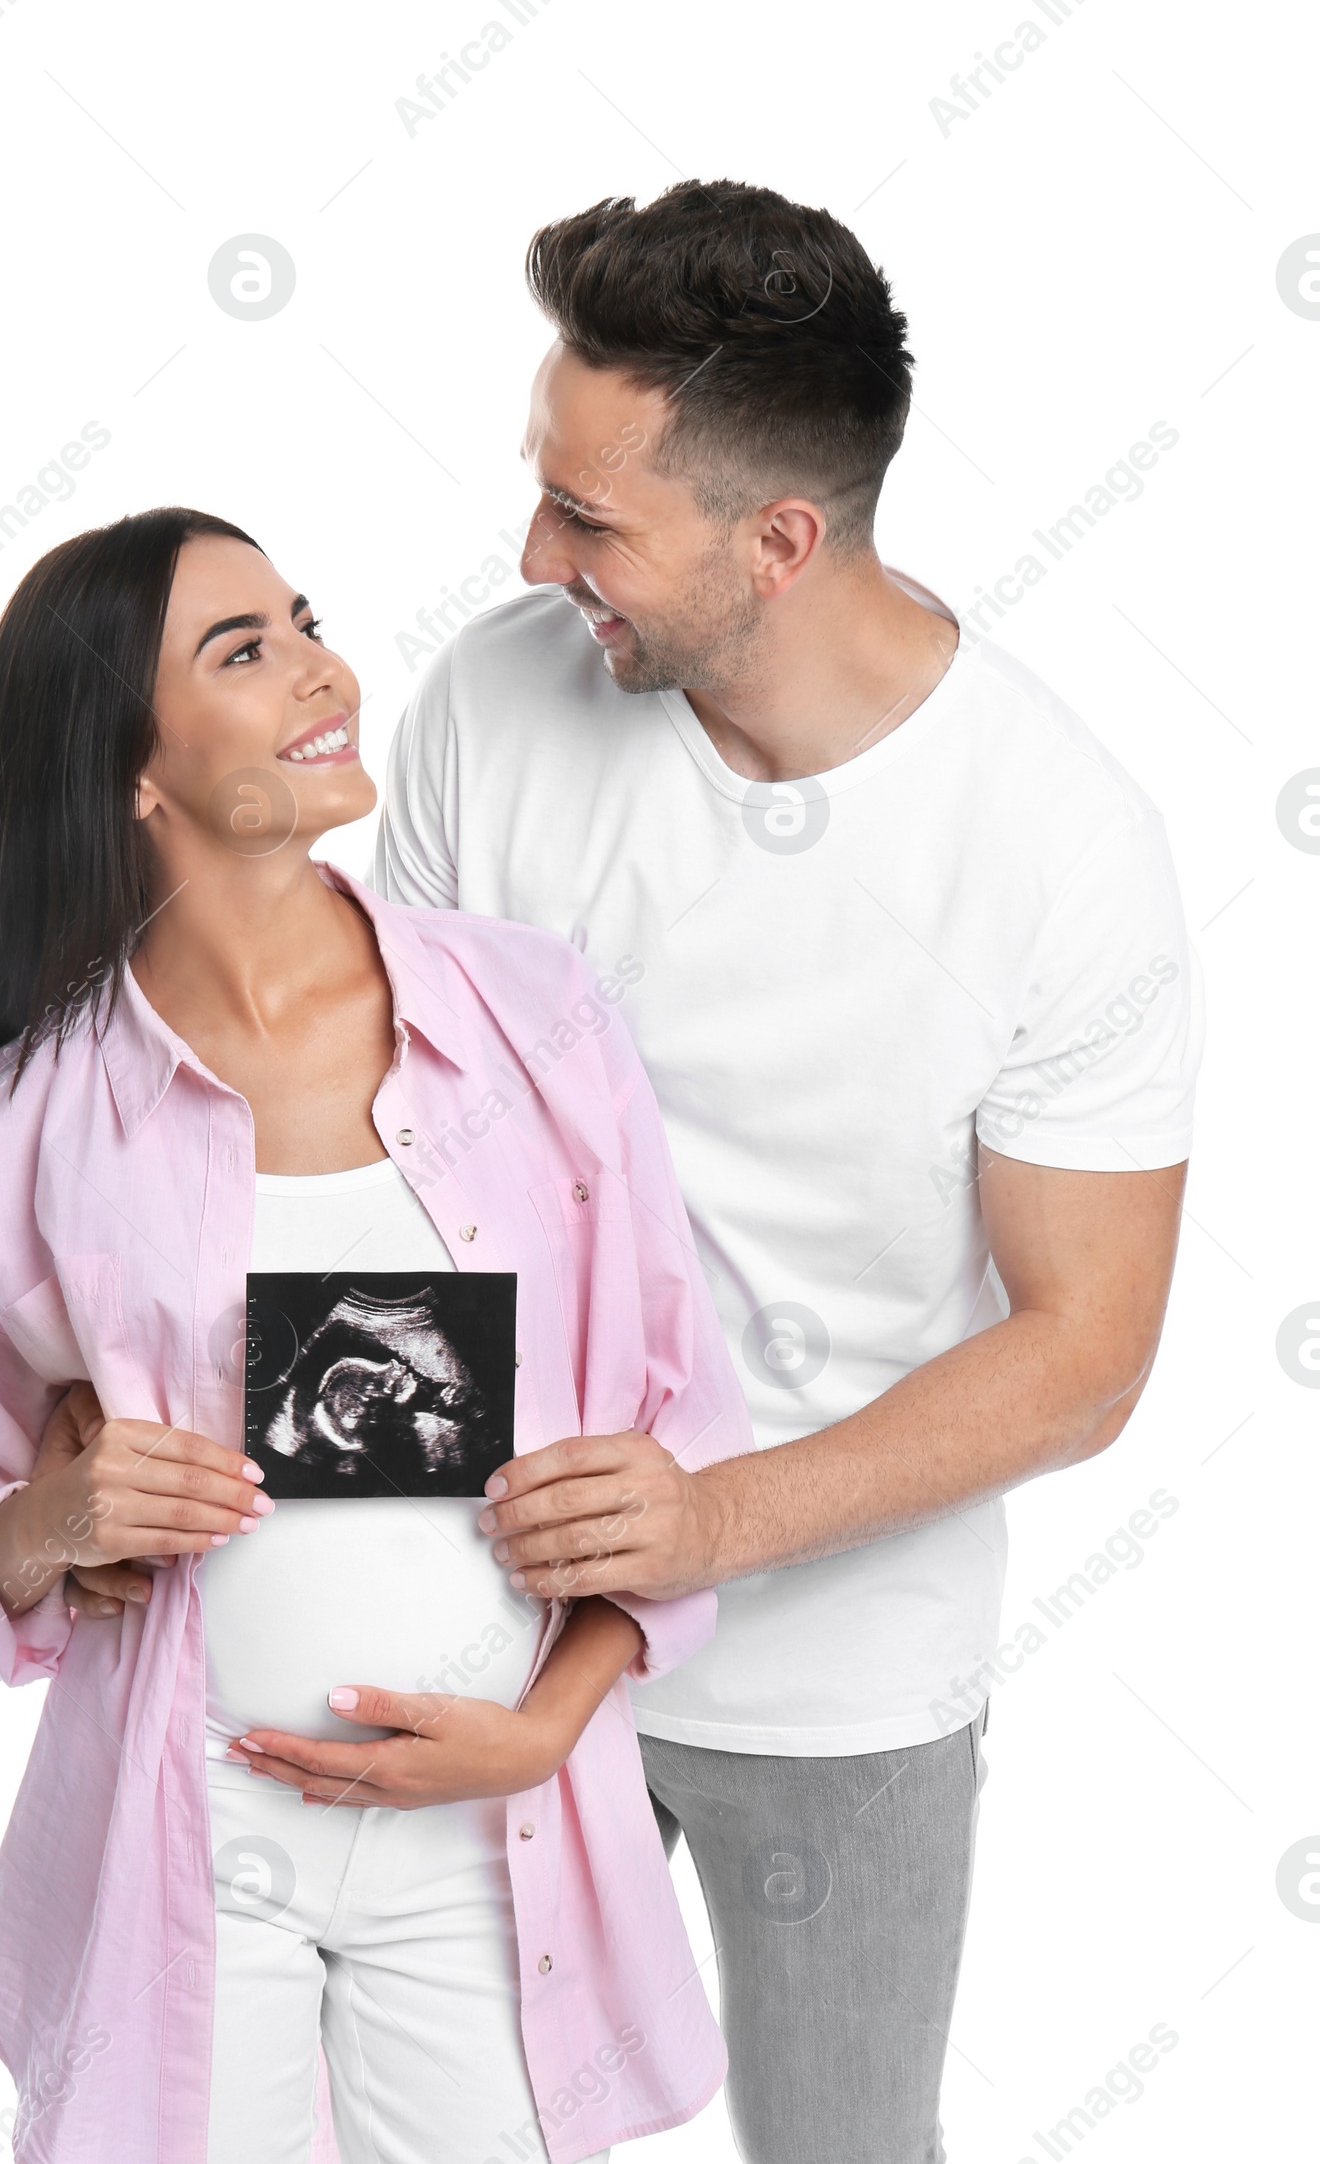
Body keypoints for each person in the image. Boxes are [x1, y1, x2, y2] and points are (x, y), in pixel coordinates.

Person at [365, 182, 1200, 2162]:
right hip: (480, 1609)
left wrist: (705, 1522)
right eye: (538, 493)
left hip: (840, 1683)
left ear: (777, 540)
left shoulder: (1058, 843)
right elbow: (383, 1148)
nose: (529, 552)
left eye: (588, 519)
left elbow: (1083, 1353)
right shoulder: (492, 700)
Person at [0, 507, 753, 2164]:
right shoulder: (14, 1135)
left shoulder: (536, 1020)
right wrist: (54, 1522)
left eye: (304, 620)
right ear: (132, 770)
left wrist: (549, 1725)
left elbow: (681, 1438)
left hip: (492, 1819)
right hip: (191, 1826)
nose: (320, 668)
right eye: (242, 649)